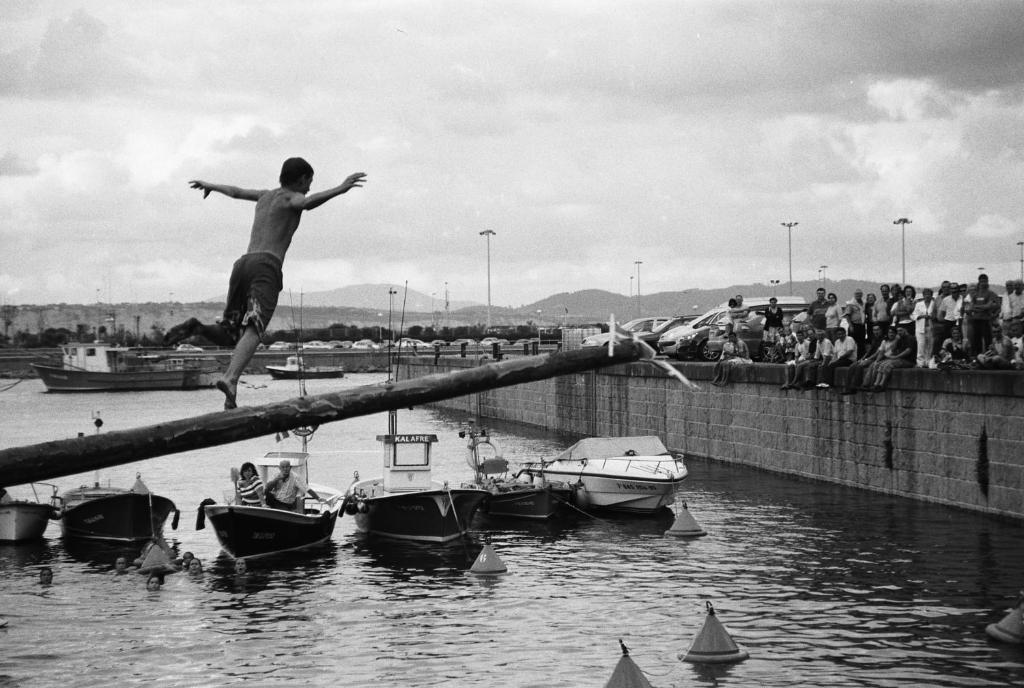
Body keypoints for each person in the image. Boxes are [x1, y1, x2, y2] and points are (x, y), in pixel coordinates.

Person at [163, 158, 367, 409]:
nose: (310, 187)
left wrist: (211, 186)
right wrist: (341, 188)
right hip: (266, 267)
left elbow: (236, 192)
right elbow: (307, 203)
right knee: (255, 327)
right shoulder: (291, 198)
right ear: (301, 179)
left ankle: (198, 327)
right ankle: (231, 378)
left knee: (231, 333)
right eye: (310, 182)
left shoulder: (264, 196)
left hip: (242, 265)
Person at [866, 321, 916, 391]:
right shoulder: (900, 339)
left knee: (888, 365)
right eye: (898, 331)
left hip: (908, 361)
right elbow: (894, 350)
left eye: (901, 330)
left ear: (905, 330)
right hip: (900, 359)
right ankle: (876, 384)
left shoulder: (910, 338)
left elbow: (908, 351)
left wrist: (896, 357)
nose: (899, 332)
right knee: (881, 364)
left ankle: (881, 385)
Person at [840, 324, 885, 394]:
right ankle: (848, 388)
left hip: (876, 359)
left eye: (877, 330)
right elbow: (869, 351)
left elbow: (877, 353)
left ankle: (855, 386)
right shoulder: (874, 339)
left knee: (860, 366)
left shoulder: (884, 340)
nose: (876, 332)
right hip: (869, 358)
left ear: (881, 330)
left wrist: (866, 359)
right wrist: (862, 358)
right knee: (852, 366)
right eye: (874, 330)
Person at [967, 273, 999, 356]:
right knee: (976, 341)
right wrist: (983, 307)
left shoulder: (991, 293)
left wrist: (977, 307)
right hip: (976, 320)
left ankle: (989, 358)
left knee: (988, 340)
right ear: (979, 282)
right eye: (982, 281)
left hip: (986, 321)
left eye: (985, 281)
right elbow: (971, 307)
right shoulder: (975, 294)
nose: (983, 283)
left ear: (987, 282)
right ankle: (978, 358)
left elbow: (989, 306)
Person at [912, 287, 938, 367]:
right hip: (920, 327)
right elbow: (913, 315)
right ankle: (920, 363)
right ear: (923, 295)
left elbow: (936, 315)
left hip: (930, 327)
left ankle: (928, 362)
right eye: (925, 294)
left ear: (931, 295)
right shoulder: (918, 304)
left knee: (930, 345)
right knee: (921, 345)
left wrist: (931, 316)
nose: (927, 296)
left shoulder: (934, 304)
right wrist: (922, 316)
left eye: (929, 294)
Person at [844, 289, 867, 356]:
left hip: (861, 325)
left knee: (862, 343)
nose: (858, 295)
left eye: (860, 294)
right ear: (854, 295)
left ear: (862, 295)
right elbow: (847, 315)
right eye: (857, 294)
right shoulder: (851, 304)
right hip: (854, 325)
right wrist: (850, 326)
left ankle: (861, 357)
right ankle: (851, 357)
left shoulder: (863, 303)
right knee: (852, 343)